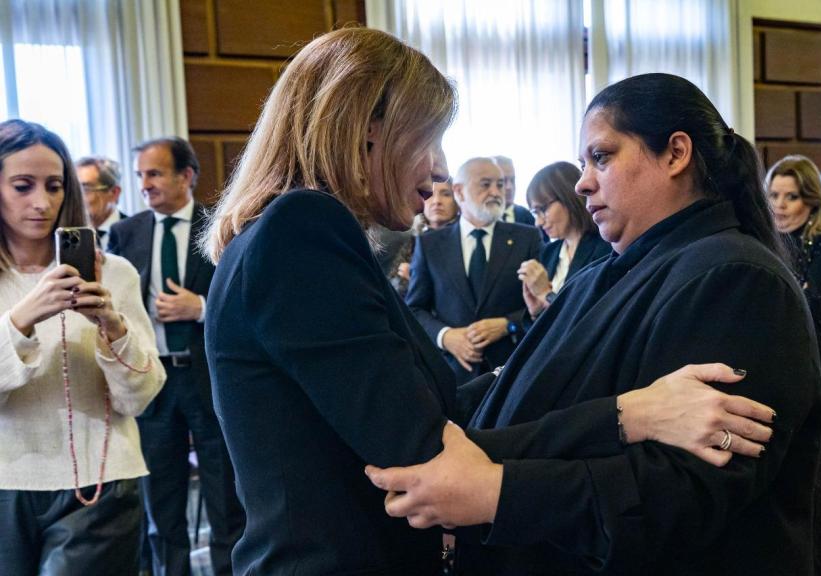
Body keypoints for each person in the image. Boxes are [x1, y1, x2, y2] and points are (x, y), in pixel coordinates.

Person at [202, 33, 777, 576]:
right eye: (427, 138)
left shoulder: (285, 230)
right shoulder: (304, 226)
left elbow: (439, 402)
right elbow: (425, 446)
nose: (437, 171)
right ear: (368, 130)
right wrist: (630, 413)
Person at [367, 73, 821, 575]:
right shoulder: (608, 271)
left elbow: (685, 493)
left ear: (675, 154)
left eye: (601, 157)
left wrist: (498, 494)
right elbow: (522, 393)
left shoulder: (739, 280)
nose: (582, 180)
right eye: (584, 163)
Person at [0, 119, 165, 575]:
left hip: (102, 485)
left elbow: (141, 396)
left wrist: (113, 327)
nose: (42, 202)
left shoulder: (113, 273)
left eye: (54, 186)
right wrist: (23, 317)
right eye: (22, 185)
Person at [107, 137, 243, 576]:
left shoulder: (222, 224)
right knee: (161, 499)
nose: (144, 185)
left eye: (155, 173)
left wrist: (199, 307)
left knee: (224, 493)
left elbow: (245, 299)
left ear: (186, 175)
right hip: (153, 380)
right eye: (140, 175)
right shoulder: (125, 233)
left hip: (206, 377)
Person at [767, 155, 821, 575]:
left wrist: (789, 294)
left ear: (811, 202)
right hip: (778, 369)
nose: (780, 205)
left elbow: (814, 308)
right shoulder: (762, 242)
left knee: (817, 474)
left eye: (791, 196)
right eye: (774, 195)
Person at [406, 157, 542, 384]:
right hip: (454, 376)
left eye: (500, 184)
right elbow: (415, 309)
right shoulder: (430, 244)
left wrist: (506, 324)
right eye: (485, 184)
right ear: (459, 192)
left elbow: (539, 308)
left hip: (513, 371)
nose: (496, 192)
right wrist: (446, 336)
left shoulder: (526, 238)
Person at [517, 161, 611, 321]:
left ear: (568, 197)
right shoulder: (549, 252)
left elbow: (590, 317)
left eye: (542, 209)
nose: (538, 222)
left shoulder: (605, 249)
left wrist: (546, 294)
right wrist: (537, 312)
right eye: (534, 213)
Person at [76, 156, 127, 250]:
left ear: (114, 193)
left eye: (85, 189)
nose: (76, 198)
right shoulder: (70, 237)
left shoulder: (137, 232)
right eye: (74, 190)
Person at [493, 155, 535, 225]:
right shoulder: (478, 218)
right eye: (503, 181)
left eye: (512, 180)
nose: (509, 187)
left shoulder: (527, 216)